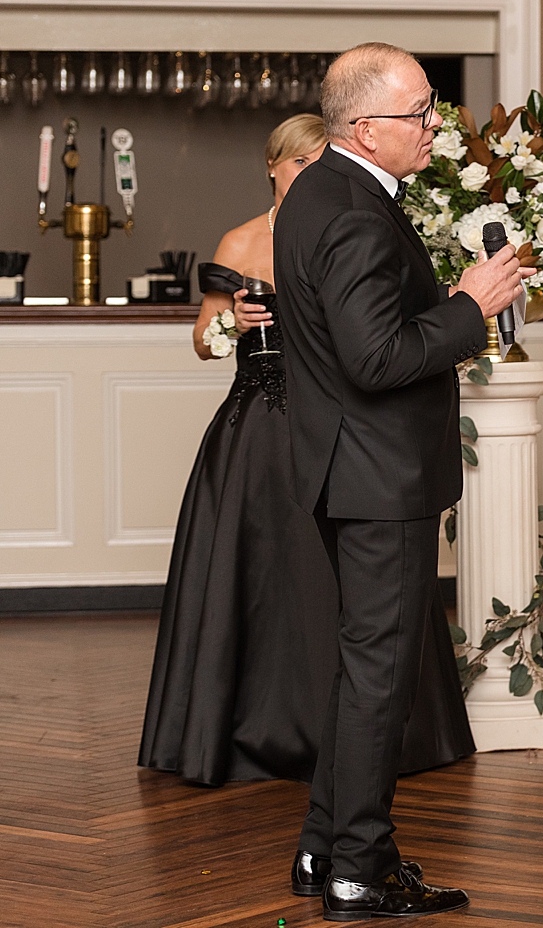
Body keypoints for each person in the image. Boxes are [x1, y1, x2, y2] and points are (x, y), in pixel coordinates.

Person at [138, 114, 475, 794]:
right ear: (272, 165)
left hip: (337, 420)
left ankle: (352, 741)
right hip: (260, 424)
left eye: (318, 162)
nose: (308, 175)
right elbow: (204, 340)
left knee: (342, 590)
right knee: (263, 574)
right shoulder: (246, 239)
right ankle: (263, 732)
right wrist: (234, 319)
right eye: (297, 164)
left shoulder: (341, 223)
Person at [273, 42, 530, 920]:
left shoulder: (324, 191)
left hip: (352, 470)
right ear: (366, 127)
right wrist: (471, 306)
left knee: (361, 674)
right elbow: (377, 358)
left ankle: (323, 850)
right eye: (421, 112)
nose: (437, 125)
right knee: (377, 676)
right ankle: (359, 872)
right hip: (378, 477)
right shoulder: (349, 208)